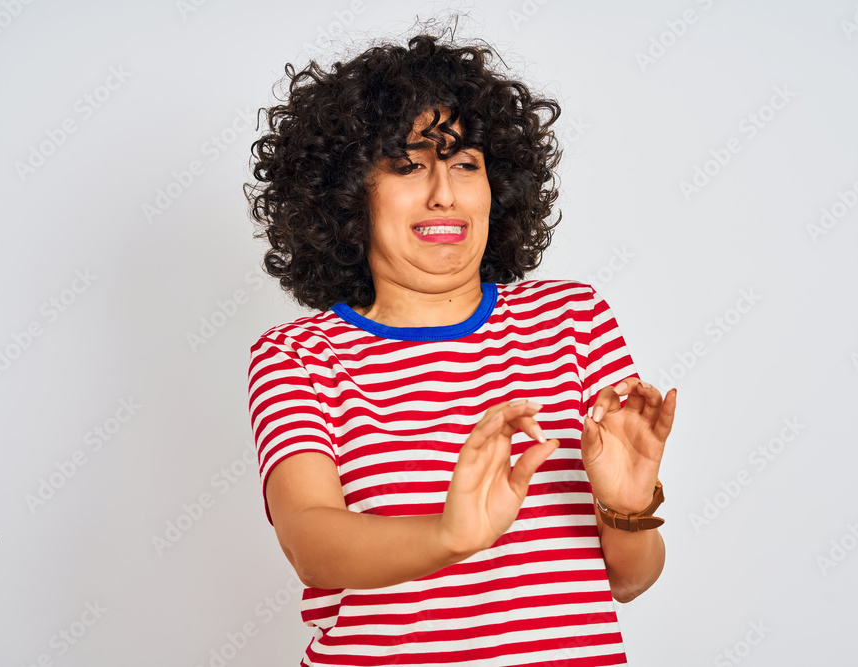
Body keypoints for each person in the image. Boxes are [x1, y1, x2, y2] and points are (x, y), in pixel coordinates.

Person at [245, 28, 677, 667]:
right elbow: (311, 542)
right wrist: (448, 537)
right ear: (345, 194)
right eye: (408, 164)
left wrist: (628, 506)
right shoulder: (300, 357)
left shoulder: (573, 320)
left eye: (465, 163)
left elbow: (628, 580)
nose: (444, 191)